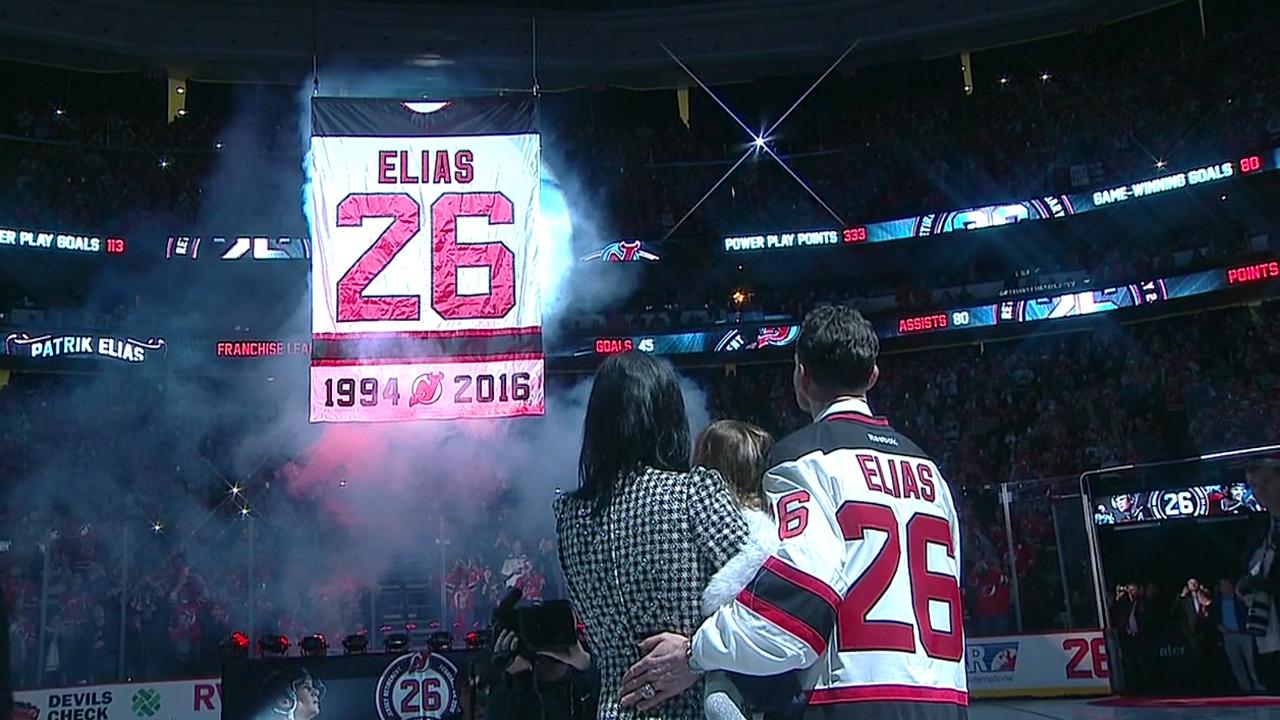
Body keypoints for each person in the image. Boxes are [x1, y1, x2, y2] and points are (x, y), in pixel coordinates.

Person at [621, 305, 968, 719]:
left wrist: (696, 652)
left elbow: (798, 604)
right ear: (872, 377)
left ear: (801, 375)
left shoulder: (805, 460)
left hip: (855, 702)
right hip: (947, 700)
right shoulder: (931, 472)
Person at [554, 352, 749, 720]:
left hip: (614, 709)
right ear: (668, 416)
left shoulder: (569, 517)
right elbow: (763, 597)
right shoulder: (695, 493)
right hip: (694, 709)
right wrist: (697, 653)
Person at [694, 420, 803, 720]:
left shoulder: (729, 523)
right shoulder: (779, 517)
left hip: (739, 658)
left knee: (715, 698)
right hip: (784, 668)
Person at [488, 628, 600, 719]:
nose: (547, 641)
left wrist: (584, 664)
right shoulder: (504, 700)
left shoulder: (582, 687)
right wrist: (521, 679)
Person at [1241, 459, 1280, 689]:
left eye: (1266, 481)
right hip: (1268, 632)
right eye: (1254, 485)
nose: (1260, 490)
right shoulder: (1259, 528)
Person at [1212, 577, 1265, 693]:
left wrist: (1239, 595)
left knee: (1250, 661)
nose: (1224, 588)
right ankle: (1245, 687)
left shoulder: (1240, 599)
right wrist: (1219, 626)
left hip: (1244, 634)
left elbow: (1250, 608)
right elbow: (1214, 617)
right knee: (1236, 663)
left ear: (1231, 585)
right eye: (1222, 586)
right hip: (1229, 635)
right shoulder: (1218, 602)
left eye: (1226, 585)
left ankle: (1257, 684)